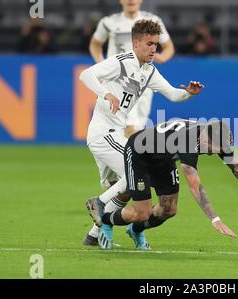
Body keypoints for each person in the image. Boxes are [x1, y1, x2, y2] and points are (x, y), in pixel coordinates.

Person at [79, 19, 204, 248]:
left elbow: (173, 95)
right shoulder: (121, 62)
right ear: (135, 43)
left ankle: (93, 236)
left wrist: (189, 93)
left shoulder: (149, 71)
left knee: (123, 188)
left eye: (156, 44)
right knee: (134, 175)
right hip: (103, 134)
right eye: (149, 43)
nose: (154, 48)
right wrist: (106, 93)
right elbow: (86, 75)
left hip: (115, 134)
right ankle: (98, 202)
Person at [94, 119, 238, 249]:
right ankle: (106, 221)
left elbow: (237, 169)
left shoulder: (216, 137)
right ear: (205, 138)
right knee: (142, 212)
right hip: (139, 152)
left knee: (169, 209)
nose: (215, 153)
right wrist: (215, 219)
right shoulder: (188, 141)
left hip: (163, 157)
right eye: (214, 149)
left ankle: (135, 230)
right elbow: (195, 186)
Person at [89, 0, 175, 137]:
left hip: (143, 81)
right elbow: (95, 44)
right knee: (130, 126)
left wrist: (163, 57)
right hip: (120, 81)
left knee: (136, 130)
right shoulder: (109, 22)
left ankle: (126, 156)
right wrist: (102, 65)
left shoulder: (153, 21)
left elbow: (169, 46)